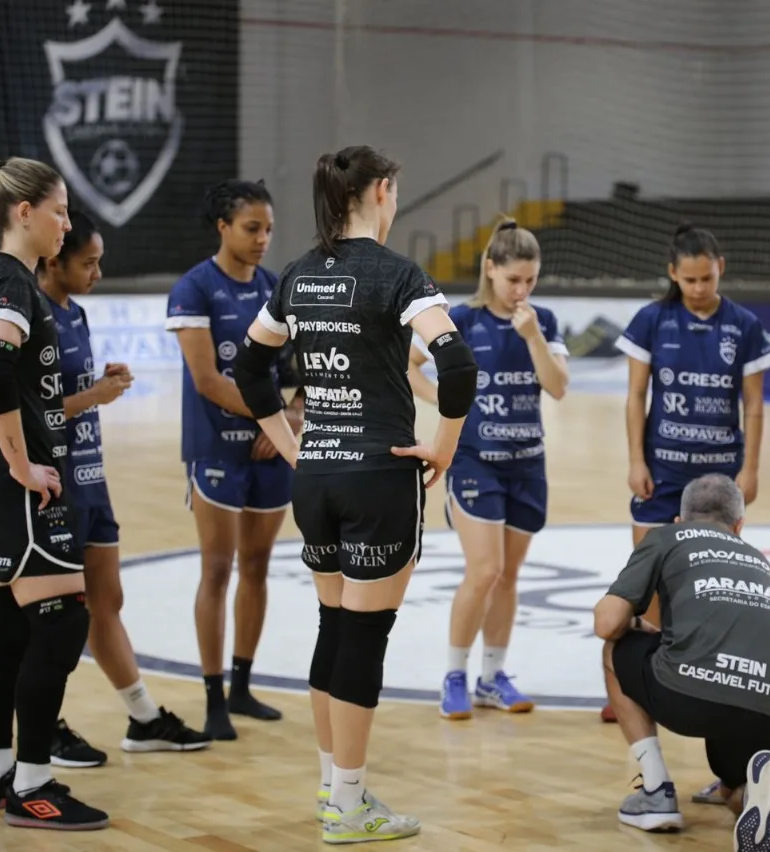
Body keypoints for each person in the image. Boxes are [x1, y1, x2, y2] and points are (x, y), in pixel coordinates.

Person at [231, 144, 478, 843]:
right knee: (363, 640)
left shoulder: (297, 276)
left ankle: (332, 786)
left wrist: (291, 447)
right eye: (395, 191)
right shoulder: (401, 277)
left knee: (334, 631)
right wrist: (445, 448)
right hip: (378, 478)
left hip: (317, 479)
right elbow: (457, 368)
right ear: (380, 192)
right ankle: (348, 802)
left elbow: (251, 368)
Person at [0, 157, 107, 829]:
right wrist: (23, 465)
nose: (66, 224)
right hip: (10, 477)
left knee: (11, 622)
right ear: (24, 213)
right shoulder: (11, 282)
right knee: (63, 619)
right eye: (60, 211)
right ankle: (34, 785)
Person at [38, 211, 211, 764]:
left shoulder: (76, 314)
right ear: (53, 260)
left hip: (91, 480)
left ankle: (143, 719)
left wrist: (97, 386)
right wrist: (93, 397)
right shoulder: (29, 316)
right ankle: (42, 728)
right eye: (87, 263)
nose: (97, 272)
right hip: (50, 488)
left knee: (106, 601)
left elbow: (69, 395)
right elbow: (23, 413)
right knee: (54, 618)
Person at [606, 224, 770, 722]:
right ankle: (633, 680)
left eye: (707, 277)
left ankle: (693, 675)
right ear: (673, 274)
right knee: (647, 578)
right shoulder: (652, 320)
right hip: (661, 473)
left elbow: (755, 405)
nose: (700, 288)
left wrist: (751, 467)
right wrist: (636, 460)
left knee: (709, 581)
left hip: (718, 482)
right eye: (689, 280)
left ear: (720, 267)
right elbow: (637, 396)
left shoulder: (744, 325)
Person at [407, 217, 569, 720]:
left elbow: (558, 386)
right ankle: (454, 675)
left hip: (527, 464)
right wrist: (446, 401)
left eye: (530, 281)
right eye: (512, 279)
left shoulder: (542, 320)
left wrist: (534, 338)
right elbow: (407, 363)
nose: (521, 290)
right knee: (485, 571)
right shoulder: (461, 320)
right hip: (477, 461)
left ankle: (492, 677)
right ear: (489, 270)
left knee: (509, 576)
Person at [165, 179, 303, 740]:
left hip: (271, 450)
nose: (263, 239)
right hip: (216, 448)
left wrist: (292, 418)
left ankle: (243, 687)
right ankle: (213, 695)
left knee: (257, 568)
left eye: (268, 228)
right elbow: (208, 381)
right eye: (252, 228)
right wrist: (273, 417)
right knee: (217, 570)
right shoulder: (194, 289)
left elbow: (301, 374)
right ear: (222, 227)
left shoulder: (275, 288)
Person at [593, 473, 770, 852]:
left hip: (692, 691)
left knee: (615, 650)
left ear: (679, 521)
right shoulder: (760, 560)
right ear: (739, 526)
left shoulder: (666, 538)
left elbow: (607, 623)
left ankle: (655, 793)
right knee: (730, 790)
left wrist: (635, 622)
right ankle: (755, 792)